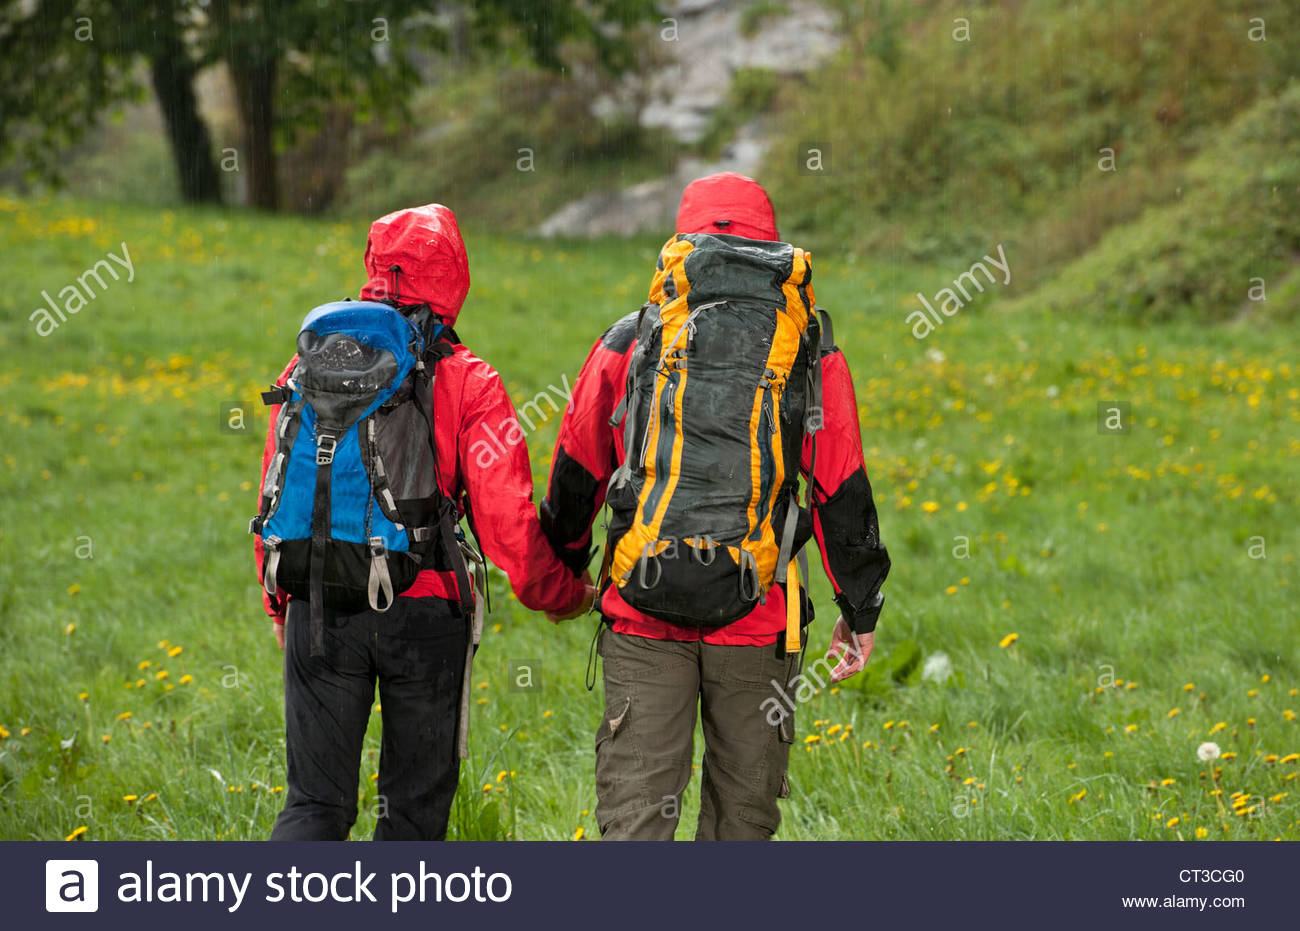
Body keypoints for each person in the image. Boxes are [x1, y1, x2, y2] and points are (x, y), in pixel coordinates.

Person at [540, 173, 890, 840]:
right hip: (759, 615)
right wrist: (860, 607)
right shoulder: (811, 350)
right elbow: (839, 487)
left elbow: (577, 469)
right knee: (741, 824)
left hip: (642, 611)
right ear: (770, 241)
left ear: (683, 240)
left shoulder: (632, 338)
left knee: (636, 823)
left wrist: (562, 577)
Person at [254, 203, 594, 841]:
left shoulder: (306, 369)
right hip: (426, 612)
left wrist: (280, 603)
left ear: (374, 267)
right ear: (454, 275)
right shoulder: (470, 381)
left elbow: (278, 493)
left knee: (314, 808)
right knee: (411, 818)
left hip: (318, 600)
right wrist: (560, 595)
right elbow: (505, 520)